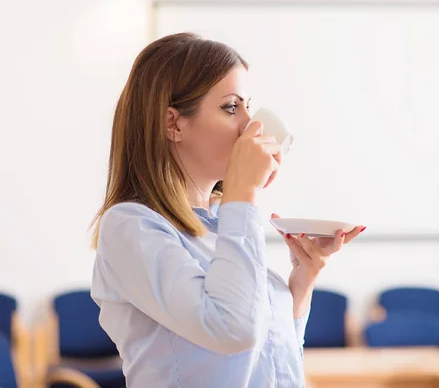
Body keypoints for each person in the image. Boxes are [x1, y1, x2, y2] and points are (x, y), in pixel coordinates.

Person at [89, 32, 365, 388]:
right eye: (232, 107)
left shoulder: (223, 221)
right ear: (173, 123)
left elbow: (269, 362)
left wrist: (302, 282)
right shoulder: (130, 227)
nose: (252, 126)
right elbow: (232, 330)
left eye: (249, 106)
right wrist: (243, 192)